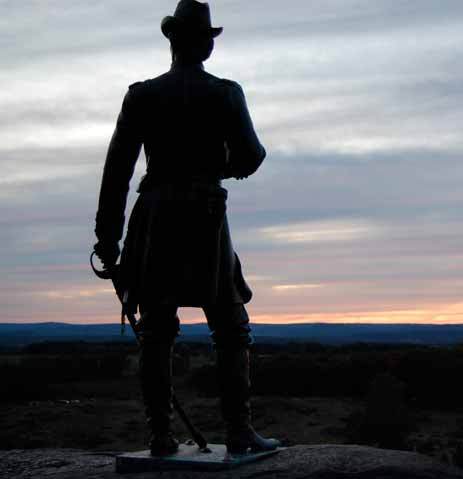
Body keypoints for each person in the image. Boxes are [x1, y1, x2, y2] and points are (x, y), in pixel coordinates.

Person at [93, 0, 280, 456]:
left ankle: (160, 436)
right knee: (230, 326)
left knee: (158, 329)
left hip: (155, 214)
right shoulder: (225, 94)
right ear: (204, 46)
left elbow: (117, 170)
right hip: (204, 214)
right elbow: (252, 156)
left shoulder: (142, 94)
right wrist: (222, 166)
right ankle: (239, 430)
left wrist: (107, 238)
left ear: (172, 41)